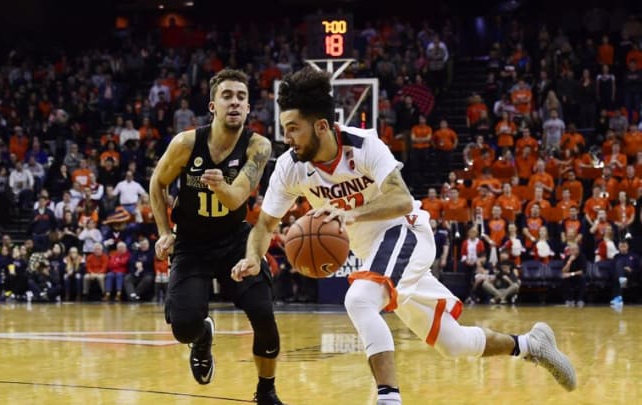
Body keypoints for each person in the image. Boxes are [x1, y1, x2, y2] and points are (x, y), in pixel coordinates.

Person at [231, 67, 576, 405]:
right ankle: (531, 345)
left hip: (406, 232)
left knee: (360, 299)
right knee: (454, 344)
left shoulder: (364, 144)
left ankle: (388, 399)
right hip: (377, 254)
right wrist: (252, 256)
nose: (287, 137)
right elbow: (265, 225)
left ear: (321, 125)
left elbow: (400, 199)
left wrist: (349, 213)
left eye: (293, 129)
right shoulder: (290, 167)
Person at [149, 69, 284, 404]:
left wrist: (222, 186)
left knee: (264, 315)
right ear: (213, 105)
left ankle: (266, 391)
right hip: (191, 243)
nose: (234, 102)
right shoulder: (186, 144)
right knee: (183, 327)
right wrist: (165, 232)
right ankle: (202, 335)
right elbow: (156, 183)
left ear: (249, 107)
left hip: (235, 241)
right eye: (227, 96)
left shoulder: (258, 146)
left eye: (241, 96)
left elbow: (237, 198)